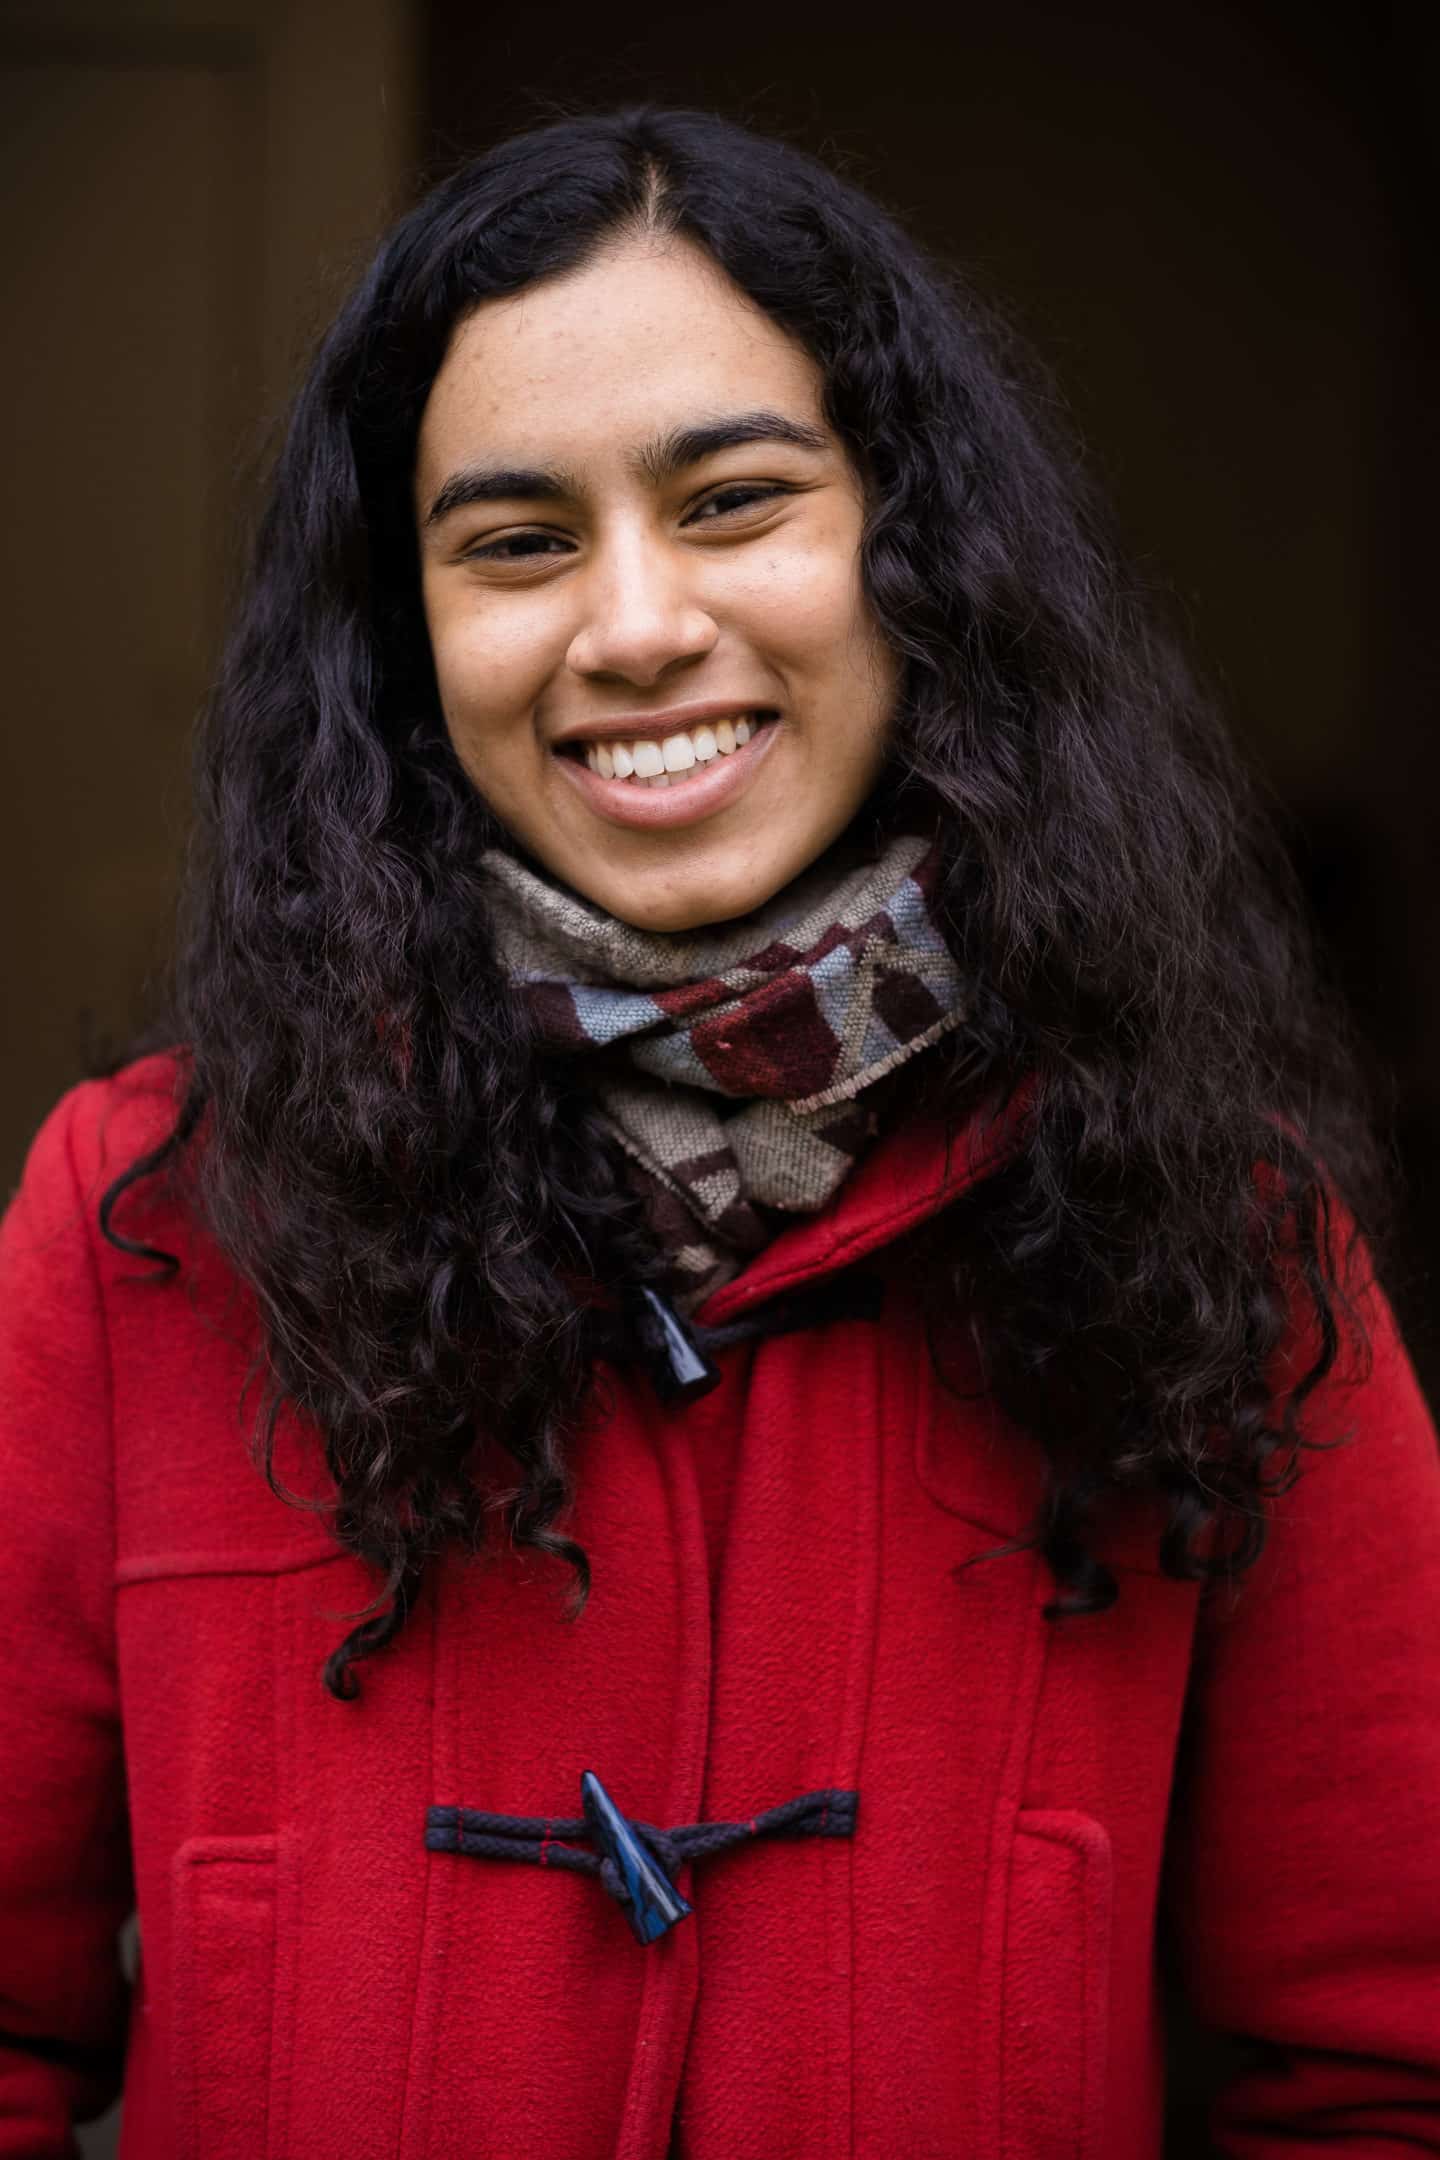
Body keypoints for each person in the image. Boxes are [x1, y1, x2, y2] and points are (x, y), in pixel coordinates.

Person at [1, 103, 1436, 2160]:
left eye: (736, 501)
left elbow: (1391, 2074)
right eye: (516, 543)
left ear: (909, 552)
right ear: (401, 642)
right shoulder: (139, 1227)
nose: (637, 625)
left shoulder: (1217, 1223)